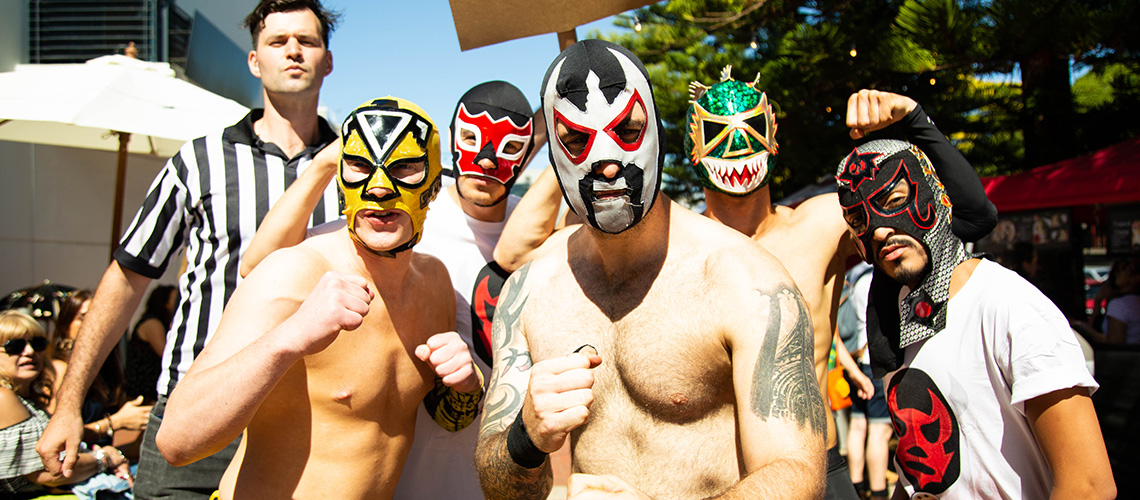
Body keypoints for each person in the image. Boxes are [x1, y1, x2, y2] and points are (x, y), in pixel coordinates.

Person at [474, 39, 827, 500]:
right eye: (576, 139)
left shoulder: (742, 278)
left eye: (627, 130)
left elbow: (798, 474)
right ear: (555, 157)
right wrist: (526, 438)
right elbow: (501, 490)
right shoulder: (531, 290)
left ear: (656, 132)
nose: (605, 164)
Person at [36, 1, 343, 497]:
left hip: (310, 420)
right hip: (195, 411)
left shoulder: (358, 170)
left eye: (307, 42)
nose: (293, 52)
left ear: (327, 60)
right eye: (277, 41)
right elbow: (127, 279)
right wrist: (69, 403)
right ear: (253, 60)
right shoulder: (199, 160)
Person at [683, 74, 998, 498]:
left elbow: (970, 216)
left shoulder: (824, 224)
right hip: (718, 481)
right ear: (693, 143)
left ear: (772, 133)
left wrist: (913, 122)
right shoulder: (675, 249)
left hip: (818, 469)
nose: (737, 144)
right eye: (719, 133)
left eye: (750, 128)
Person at [156, 96, 483, 500]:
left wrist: (466, 387)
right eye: (361, 166)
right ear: (342, 180)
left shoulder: (435, 283)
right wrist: (289, 337)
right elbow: (176, 440)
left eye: (403, 168)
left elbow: (445, 419)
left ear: (434, 185)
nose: (380, 187)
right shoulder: (297, 273)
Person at [237, 81, 540, 500]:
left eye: (509, 146)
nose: (486, 159)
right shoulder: (396, 217)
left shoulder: (532, 239)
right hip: (397, 474)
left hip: (482, 466)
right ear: (450, 140)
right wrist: (331, 159)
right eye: (471, 137)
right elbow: (259, 267)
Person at [834, 138, 1116, 499]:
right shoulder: (893, 322)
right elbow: (921, 476)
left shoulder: (1009, 305)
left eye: (893, 201)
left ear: (938, 197)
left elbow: (1088, 486)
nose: (879, 229)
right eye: (859, 219)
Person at [1, 310, 132, 496]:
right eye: (15, 346)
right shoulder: (3, 398)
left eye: (37, 344)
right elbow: (48, 472)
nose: (29, 352)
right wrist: (105, 458)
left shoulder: (28, 396)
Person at [836, 263, 892, 500]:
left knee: (859, 426)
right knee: (880, 431)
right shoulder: (875, 279)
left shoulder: (853, 278)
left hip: (856, 360)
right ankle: (878, 493)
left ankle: (857, 489)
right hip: (876, 363)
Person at [125, 285, 177, 403]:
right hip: (142, 396)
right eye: (175, 298)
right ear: (164, 303)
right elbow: (166, 355)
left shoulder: (159, 322)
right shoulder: (153, 323)